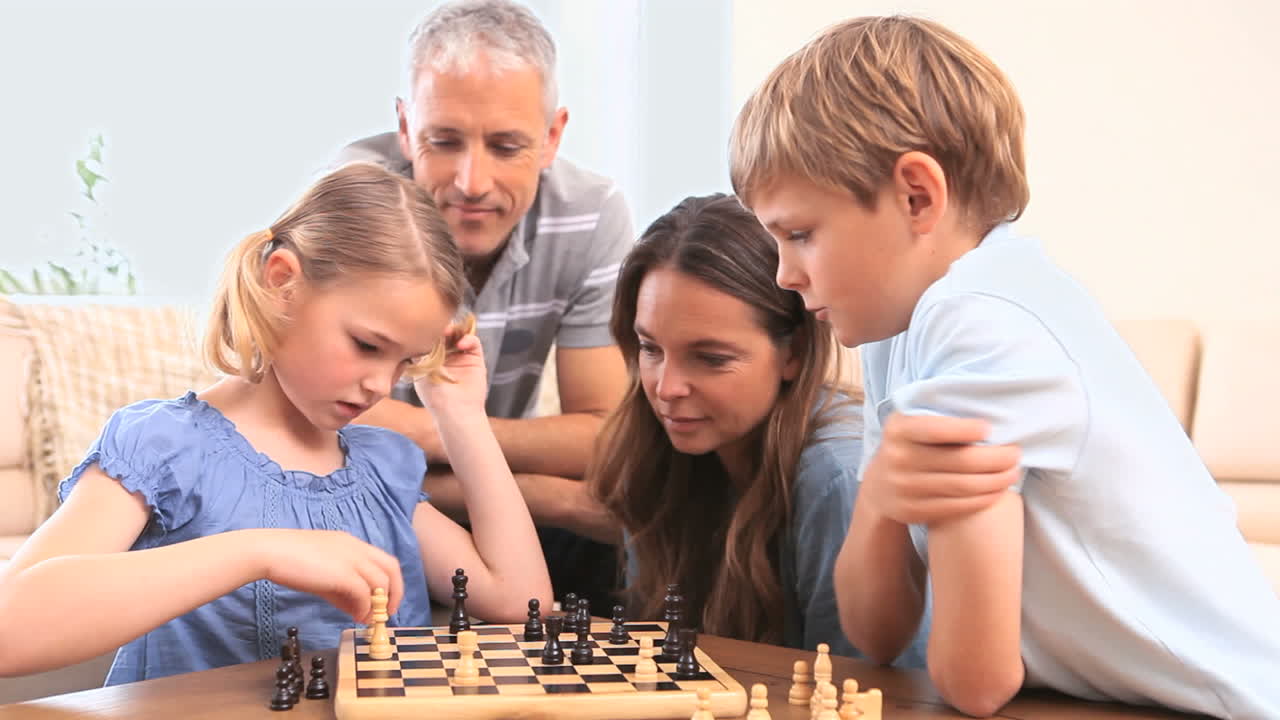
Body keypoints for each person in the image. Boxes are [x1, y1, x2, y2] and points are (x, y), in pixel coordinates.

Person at [729, 15, 1280, 719]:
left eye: (801, 234)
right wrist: (878, 500)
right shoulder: (899, 328)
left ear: (917, 196)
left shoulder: (983, 325)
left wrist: (888, 494)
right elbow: (877, 634)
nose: (783, 275)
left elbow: (975, 683)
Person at [0, 163, 551, 683]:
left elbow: (520, 604)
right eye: (366, 345)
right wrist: (259, 552)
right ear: (282, 283)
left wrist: (462, 417)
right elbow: (11, 629)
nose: (383, 386)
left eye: (406, 361)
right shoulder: (166, 447)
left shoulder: (379, 469)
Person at [336, 0, 629, 611]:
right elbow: (329, 433)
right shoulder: (353, 204)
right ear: (405, 126)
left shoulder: (592, 214)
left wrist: (455, 441)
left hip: (477, 492)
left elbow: (604, 436)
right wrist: (548, 494)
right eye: (443, 141)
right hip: (356, 497)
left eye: (506, 146)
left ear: (552, 136)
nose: (472, 182)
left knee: (616, 535)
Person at [589, 194, 926, 666]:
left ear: (792, 352)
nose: (666, 388)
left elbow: (873, 697)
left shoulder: (838, 478)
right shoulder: (658, 454)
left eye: (711, 358)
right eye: (650, 348)